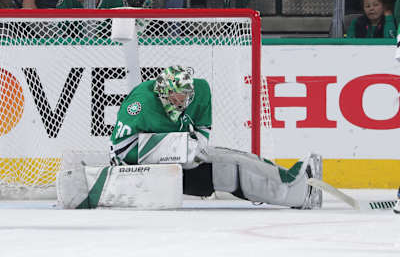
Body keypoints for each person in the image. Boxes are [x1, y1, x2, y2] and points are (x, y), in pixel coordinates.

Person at [56, 66, 323, 210]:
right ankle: (293, 188)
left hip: (177, 155)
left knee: (224, 170)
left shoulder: (201, 90)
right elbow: (121, 150)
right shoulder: (139, 104)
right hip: (144, 161)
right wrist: (171, 151)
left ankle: (296, 193)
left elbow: (203, 128)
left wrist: (196, 148)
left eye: (186, 96)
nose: (184, 102)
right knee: (225, 172)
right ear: (163, 94)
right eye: (177, 98)